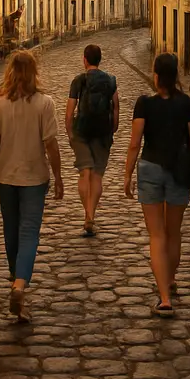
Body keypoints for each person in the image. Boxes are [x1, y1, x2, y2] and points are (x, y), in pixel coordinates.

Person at [0, 50, 64, 322]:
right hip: (34, 178)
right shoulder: (45, 103)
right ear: (34, 72)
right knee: (29, 234)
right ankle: (19, 285)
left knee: (11, 233)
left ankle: (14, 282)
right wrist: (59, 176)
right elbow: (51, 144)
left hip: (5, 177)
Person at [125, 53, 190, 317]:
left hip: (150, 169)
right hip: (179, 172)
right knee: (173, 233)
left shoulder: (144, 104)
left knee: (156, 236)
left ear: (156, 76)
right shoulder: (185, 104)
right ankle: (170, 279)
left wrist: (127, 175)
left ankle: (164, 298)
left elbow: (135, 142)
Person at [66, 44, 119, 238]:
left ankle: (87, 214)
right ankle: (92, 215)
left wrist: (70, 133)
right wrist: (112, 130)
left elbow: (70, 111)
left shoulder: (78, 81)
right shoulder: (110, 80)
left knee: (84, 174)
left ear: (85, 60)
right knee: (96, 175)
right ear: (100, 59)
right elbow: (115, 108)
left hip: (81, 130)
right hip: (102, 132)